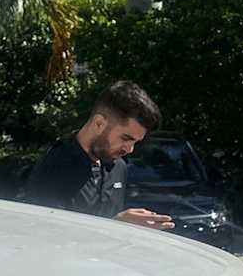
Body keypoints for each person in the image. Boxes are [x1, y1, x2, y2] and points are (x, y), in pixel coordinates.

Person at [21, 81, 175, 229]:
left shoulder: (118, 166)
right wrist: (117, 225)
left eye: (135, 142)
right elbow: (44, 236)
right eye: (125, 138)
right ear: (99, 123)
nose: (130, 149)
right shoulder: (54, 168)